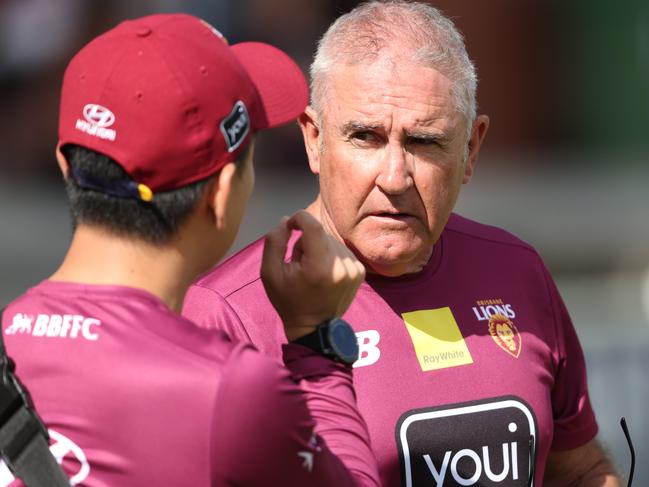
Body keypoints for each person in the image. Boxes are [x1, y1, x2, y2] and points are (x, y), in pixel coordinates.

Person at [182, 2, 622, 486]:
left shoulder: (516, 270)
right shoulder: (226, 314)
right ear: (314, 139)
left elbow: (581, 469)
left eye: (424, 142)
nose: (394, 178)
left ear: (470, 149)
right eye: (366, 137)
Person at [0, 13, 381, 487]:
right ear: (220, 195)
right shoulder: (229, 391)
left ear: (65, 165)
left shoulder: (9, 338)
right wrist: (316, 343)